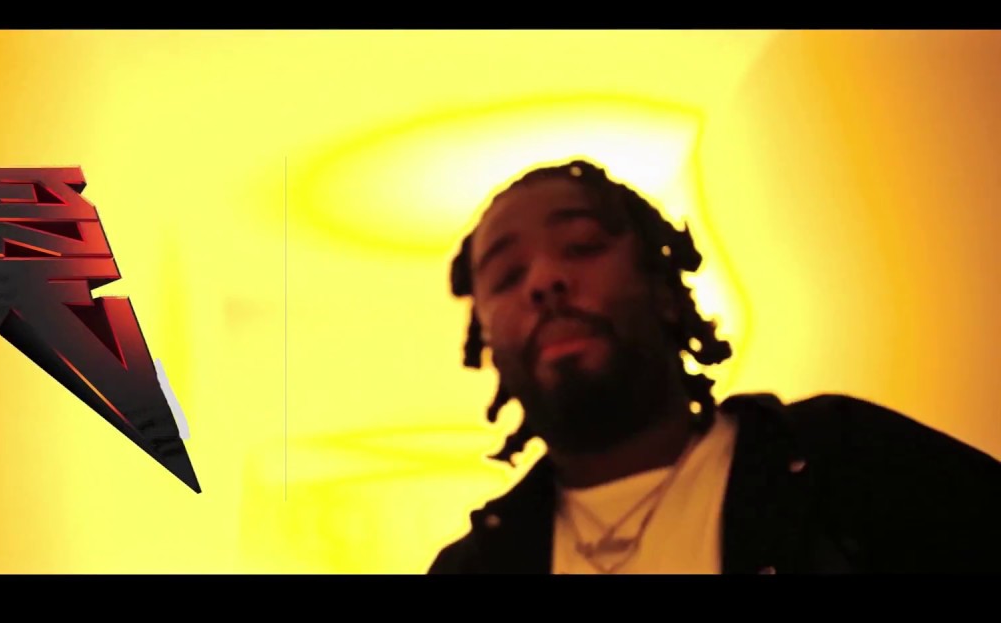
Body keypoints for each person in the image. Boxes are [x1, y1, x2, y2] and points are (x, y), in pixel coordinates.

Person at [428, 158, 1001, 574]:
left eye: (582, 246)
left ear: (663, 290)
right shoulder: (473, 568)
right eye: (507, 276)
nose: (544, 281)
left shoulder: (842, 459)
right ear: (488, 341)